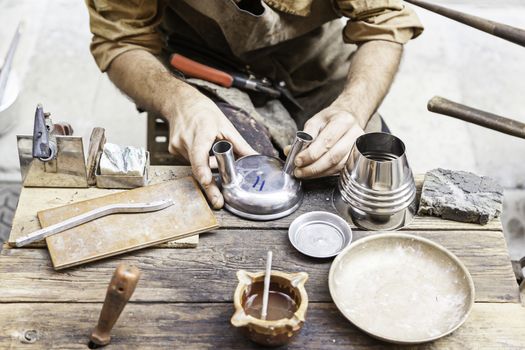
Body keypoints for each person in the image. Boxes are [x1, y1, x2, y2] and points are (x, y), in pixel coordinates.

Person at [85, 0, 423, 208]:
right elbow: (121, 40)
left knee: (364, 177)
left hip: (314, 58)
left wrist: (352, 108)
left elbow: (383, 19)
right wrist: (178, 101)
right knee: (238, 185)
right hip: (204, 61)